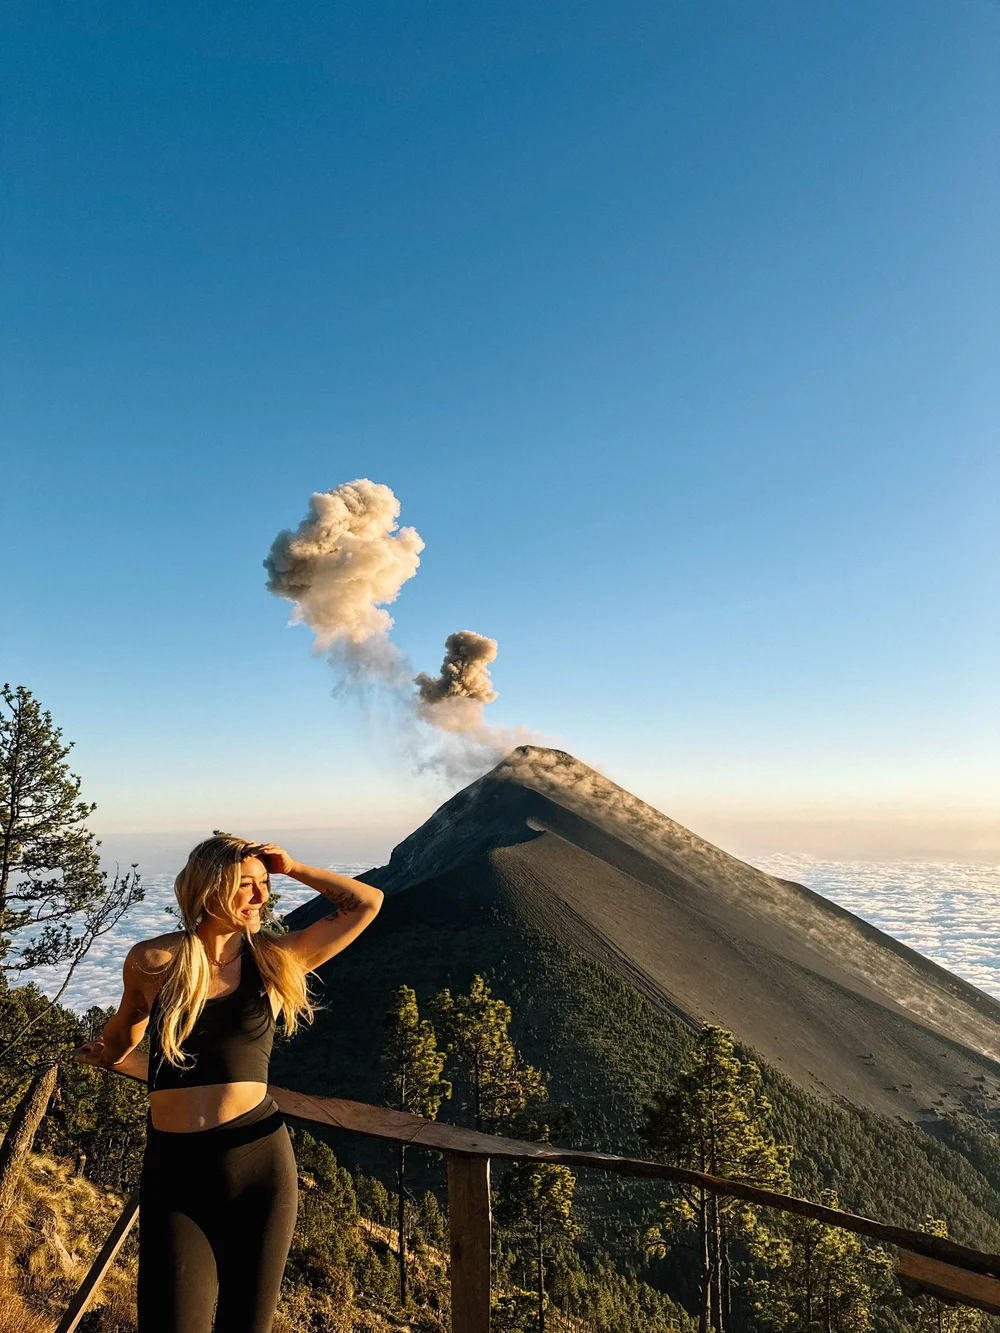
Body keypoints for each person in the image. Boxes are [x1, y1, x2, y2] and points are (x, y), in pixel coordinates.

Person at [75, 832, 383, 1333]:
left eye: (265, 884)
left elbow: (367, 903)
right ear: (210, 888)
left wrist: (293, 867)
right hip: (174, 1170)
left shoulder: (274, 960)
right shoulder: (153, 961)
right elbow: (122, 1035)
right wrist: (104, 1055)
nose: (263, 896)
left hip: (258, 1163)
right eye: (247, 884)